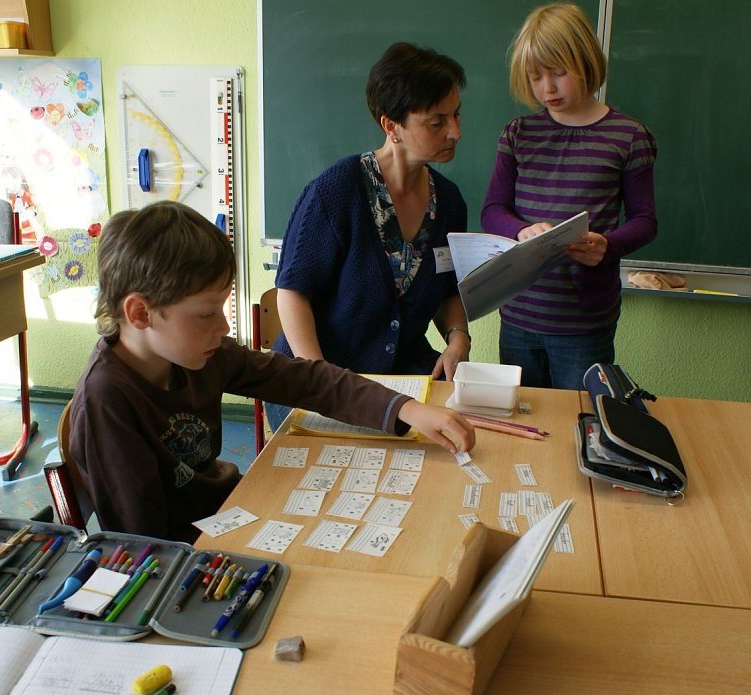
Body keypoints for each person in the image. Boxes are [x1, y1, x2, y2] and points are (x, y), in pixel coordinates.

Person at [69, 201, 476, 541]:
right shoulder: (108, 399)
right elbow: (142, 542)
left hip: (230, 508)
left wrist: (406, 409)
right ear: (140, 313)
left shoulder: (199, 352)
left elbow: (306, 378)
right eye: (207, 313)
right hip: (192, 552)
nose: (224, 327)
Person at [267, 41, 472, 432]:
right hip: (320, 377)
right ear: (391, 125)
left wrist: (458, 336)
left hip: (402, 377)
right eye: (437, 121)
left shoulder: (448, 202)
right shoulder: (335, 192)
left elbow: (447, 288)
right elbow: (292, 292)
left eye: (457, 116)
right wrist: (321, 379)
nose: (456, 132)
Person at [481, 3, 657, 389]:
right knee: (523, 418)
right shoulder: (518, 134)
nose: (547, 87)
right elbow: (493, 210)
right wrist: (522, 231)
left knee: (580, 421)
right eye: (535, 77)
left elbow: (645, 221)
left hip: (584, 324)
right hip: (519, 315)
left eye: (558, 73)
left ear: (585, 62)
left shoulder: (628, 136)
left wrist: (606, 246)